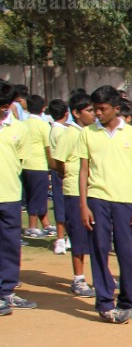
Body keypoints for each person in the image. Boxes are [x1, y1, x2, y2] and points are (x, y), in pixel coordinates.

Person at [78, 84, 132, 323]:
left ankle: (127, 302)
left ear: (116, 109)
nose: (97, 113)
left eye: (102, 109)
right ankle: (105, 304)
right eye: (95, 109)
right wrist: (83, 205)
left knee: (128, 252)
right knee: (99, 250)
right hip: (97, 199)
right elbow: (83, 170)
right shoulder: (87, 133)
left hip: (126, 202)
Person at [49, 93, 96, 297]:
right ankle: (78, 279)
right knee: (78, 234)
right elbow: (58, 160)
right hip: (75, 191)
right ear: (76, 113)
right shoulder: (70, 133)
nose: (94, 114)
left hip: (92, 190)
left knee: (95, 235)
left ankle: (99, 275)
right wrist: (66, 173)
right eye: (89, 111)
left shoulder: (91, 132)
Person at [0, 81, 37, 315]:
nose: (4, 110)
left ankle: (6, 291)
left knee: (10, 245)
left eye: (6, 106)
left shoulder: (20, 128)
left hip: (10, 194)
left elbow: (21, 161)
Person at [20, 95, 53, 239]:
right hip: (39, 165)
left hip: (25, 165)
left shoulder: (23, 124)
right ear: (43, 108)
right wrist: (52, 166)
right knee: (37, 197)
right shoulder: (43, 125)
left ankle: (45, 224)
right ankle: (32, 227)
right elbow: (48, 147)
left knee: (35, 196)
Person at [46, 98, 71, 251]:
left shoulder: (54, 128)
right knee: (65, 204)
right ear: (66, 114)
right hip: (63, 170)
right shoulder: (61, 131)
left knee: (61, 204)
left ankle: (62, 239)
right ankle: (63, 239)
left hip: (57, 170)